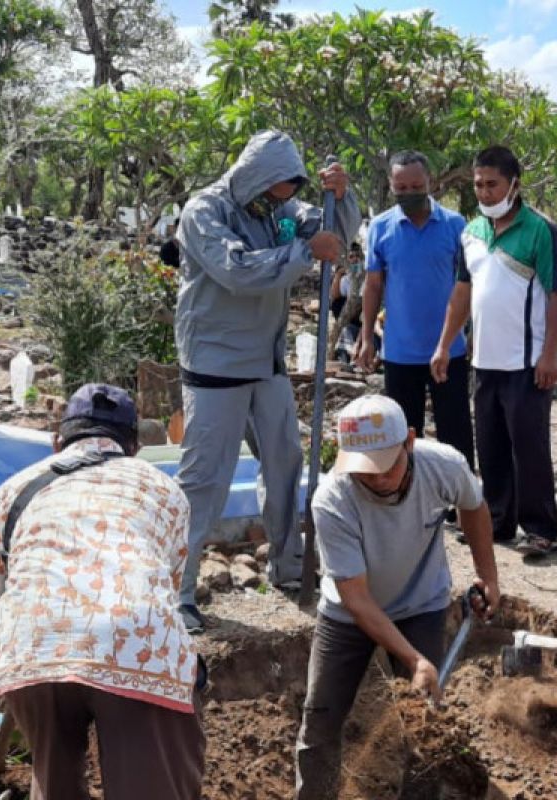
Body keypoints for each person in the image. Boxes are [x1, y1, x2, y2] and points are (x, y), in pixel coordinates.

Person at [0, 384, 204, 800]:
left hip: (30, 644)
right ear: (132, 446)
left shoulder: (10, 491)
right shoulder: (164, 489)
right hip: (133, 637)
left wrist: (16, 667)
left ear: (57, 441)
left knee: (55, 785)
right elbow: (164, 593)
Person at [174, 130, 360, 632]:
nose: (283, 203)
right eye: (276, 192)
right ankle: (180, 590)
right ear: (257, 179)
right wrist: (303, 254)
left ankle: (287, 568)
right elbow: (234, 269)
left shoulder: (278, 209)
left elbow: (328, 233)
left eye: (289, 194)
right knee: (204, 481)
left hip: (266, 364)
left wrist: (341, 198)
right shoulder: (204, 212)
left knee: (285, 464)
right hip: (216, 368)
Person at [294, 395, 500, 799]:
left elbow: (474, 508)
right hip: (348, 616)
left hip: (421, 603)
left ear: (409, 441)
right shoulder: (332, 500)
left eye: (388, 465)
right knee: (320, 718)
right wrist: (416, 660)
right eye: (366, 471)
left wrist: (487, 575)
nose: (379, 479)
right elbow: (358, 600)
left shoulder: (444, 465)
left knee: (425, 722)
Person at [433, 145, 557, 557]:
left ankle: (540, 528)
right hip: (484, 361)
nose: (485, 192)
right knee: (490, 446)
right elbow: (462, 293)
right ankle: (498, 522)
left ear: (514, 184)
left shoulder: (540, 231)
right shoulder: (471, 232)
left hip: (526, 364)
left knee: (529, 448)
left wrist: (549, 355)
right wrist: (444, 345)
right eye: (479, 185)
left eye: (493, 184)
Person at [357, 151, 474, 467]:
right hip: (399, 353)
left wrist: (460, 338)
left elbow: (467, 287)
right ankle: (410, 507)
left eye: (415, 185)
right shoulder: (381, 227)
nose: (409, 193)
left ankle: (461, 507)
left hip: (448, 351)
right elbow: (373, 286)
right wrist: (367, 337)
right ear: (392, 186)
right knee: (404, 438)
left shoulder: (455, 225)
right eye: (401, 187)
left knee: (456, 435)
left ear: (430, 182)